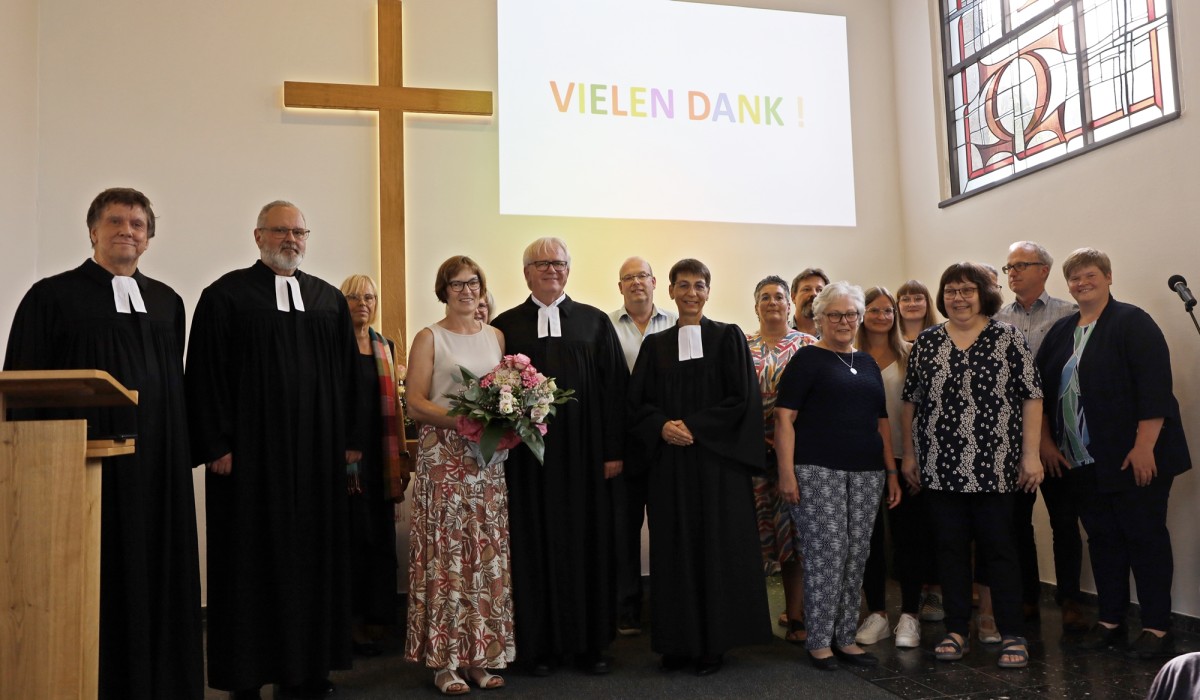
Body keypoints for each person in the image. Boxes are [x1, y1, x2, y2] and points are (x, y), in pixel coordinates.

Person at [3, 187, 203, 700]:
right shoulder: (51, 297)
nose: (126, 232)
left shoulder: (166, 302)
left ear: (149, 238)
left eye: (137, 225)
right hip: (82, 468)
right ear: (92, 231)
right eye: (115, 222)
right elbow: (23, 384)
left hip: (156, 466)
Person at [186, 200, 362, 699]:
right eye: (280, 231)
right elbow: (205, 373)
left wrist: (350, 442)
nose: (291, 240)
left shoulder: (328, 301)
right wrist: (216, 442)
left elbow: (350, 378)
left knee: (312, 559)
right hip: (249, 461)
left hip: (315, 460)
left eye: (299, 232)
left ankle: (306, 671)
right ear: (258, 235)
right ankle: (246, 675)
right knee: (249, 562)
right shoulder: (225, 296)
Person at [1036, 248, 1191, 660]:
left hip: (1136, 457)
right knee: (1103, 541)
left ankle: (1158, 627)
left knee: (1145, 539)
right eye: (1074, 278)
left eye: (1089, 275)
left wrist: (1145, 447)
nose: (1081, 282)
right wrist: (1046, 442)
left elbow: (1154, 386)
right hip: (1083, 462)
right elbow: (1040, 392)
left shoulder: (1132, 322)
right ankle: (1111, 621)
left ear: (1107, 277)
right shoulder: (1061, 331)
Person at [489, 237, 628, 676]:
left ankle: (590, 646)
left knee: (589, 543)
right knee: (532, 544)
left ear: (569, 270)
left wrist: (612, 451)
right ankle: (538, 646)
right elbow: (493, 393)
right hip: (528, 462)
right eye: (542, 263)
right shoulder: (505, 325)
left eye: (559, 263)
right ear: (526, 271)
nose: (552, 270)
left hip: (587, 459)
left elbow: (614, 391)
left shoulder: (594, 322)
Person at [627, 258, 770, 676]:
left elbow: (742, 399)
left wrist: (693, 426)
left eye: (699, 286)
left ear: (709, 291)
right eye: (683, 285)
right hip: (670, 466)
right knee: (674, 549)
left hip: (717, 465)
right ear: (669, 291)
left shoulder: (728, 339)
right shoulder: (654, 346)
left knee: (715, 548)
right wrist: (662, 427)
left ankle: (714, 644)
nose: (691, 293)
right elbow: (638, 404)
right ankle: (677, 641)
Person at [901, 262, 1043, 670]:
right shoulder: (927, 342)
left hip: (997, 465)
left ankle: (1013, 632)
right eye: (950, 291)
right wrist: (910, 455)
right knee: (949, 551)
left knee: (1001, 550)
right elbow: (910, 401)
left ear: (983, 294)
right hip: (940, 466)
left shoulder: (1008, 338)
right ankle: (957, 629)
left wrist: (1030, 456)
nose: (958, 298)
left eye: (966, 290)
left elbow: (1032, 396)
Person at [774, 282, 900, 670]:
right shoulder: (806, 360)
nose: (844, 321)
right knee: (827, 553)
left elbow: (881, 421)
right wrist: (787, 474)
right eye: (835, 314)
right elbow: (784, 419)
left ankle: (845, 637)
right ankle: (818, 640)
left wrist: (891, 472)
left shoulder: (865, 363)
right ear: (819, 318)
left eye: (850, 314)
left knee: (855, 554)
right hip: (815, 471)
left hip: (866, 473)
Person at [404, 256, 513, 694]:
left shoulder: (497, 336)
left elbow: (507, 394)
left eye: (473, 283)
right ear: (443, 290)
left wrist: (509, 420)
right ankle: (445, 663)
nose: (466, 291)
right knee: (448, 560)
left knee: (483, 558)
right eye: (456, 284)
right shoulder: (430, 337)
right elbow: (416, 403)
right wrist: (465, 421)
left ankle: (480, 657)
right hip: (444, 458)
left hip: (487, 464)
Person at [994, 241, 1083, 631]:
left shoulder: (1071, 313)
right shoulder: (996, 320)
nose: (1012, 272)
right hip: (1009, 437)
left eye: (1021, 265)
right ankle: (1028, 598)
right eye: (1008, 266)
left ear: (1044, 270)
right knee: (1017, 524)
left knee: (1065, 521)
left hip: (1058, 437)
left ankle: (1070, 602)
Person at [854, 286, 929, 650]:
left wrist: (914, 458)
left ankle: (910, 614)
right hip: (862, 461)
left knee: (909, 539)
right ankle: (878, 614)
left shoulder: (912, 356)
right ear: (861, 314)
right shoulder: (849, 356)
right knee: (869, 542)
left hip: (906, 459)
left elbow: (924, 412)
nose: (882, 316)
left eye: (888, 311)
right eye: (874, 310)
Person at [340, 274, 410, 657]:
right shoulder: (333, 344)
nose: (363, 303)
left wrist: (399, 454)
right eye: (353, 297)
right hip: (346, 458)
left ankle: (378, 618)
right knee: (352, 538)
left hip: (381, 454)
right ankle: (348, 621)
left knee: (380, 538)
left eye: (369, 297)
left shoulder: (386, 345)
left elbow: (395, 409)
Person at [608, 256, 677, 636]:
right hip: (625, 445)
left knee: (668, 527)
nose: (636, 283)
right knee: (624, 530)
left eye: (642, 276)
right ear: (620, 287)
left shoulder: (678, 323)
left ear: (655, 283)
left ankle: (668, 607)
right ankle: (627, 609)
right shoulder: (606, 326)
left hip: (667, 442)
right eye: (628, 278)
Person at [745, 275, 814, 644]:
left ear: (790, 305)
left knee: (794, 538)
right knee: (752, 537)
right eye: (765, 297)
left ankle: (797, 616)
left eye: (779, 297)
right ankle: (753, 621)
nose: (773, 302)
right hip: (750, 457)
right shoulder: (740, 345)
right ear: (755, 306)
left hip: (796, 457)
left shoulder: (809, 345)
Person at [789, 267, 829, 337]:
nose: (814, 294)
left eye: (820, 290)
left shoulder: (833, 336)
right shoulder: (779, 334)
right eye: (806, 289)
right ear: (793, 297)